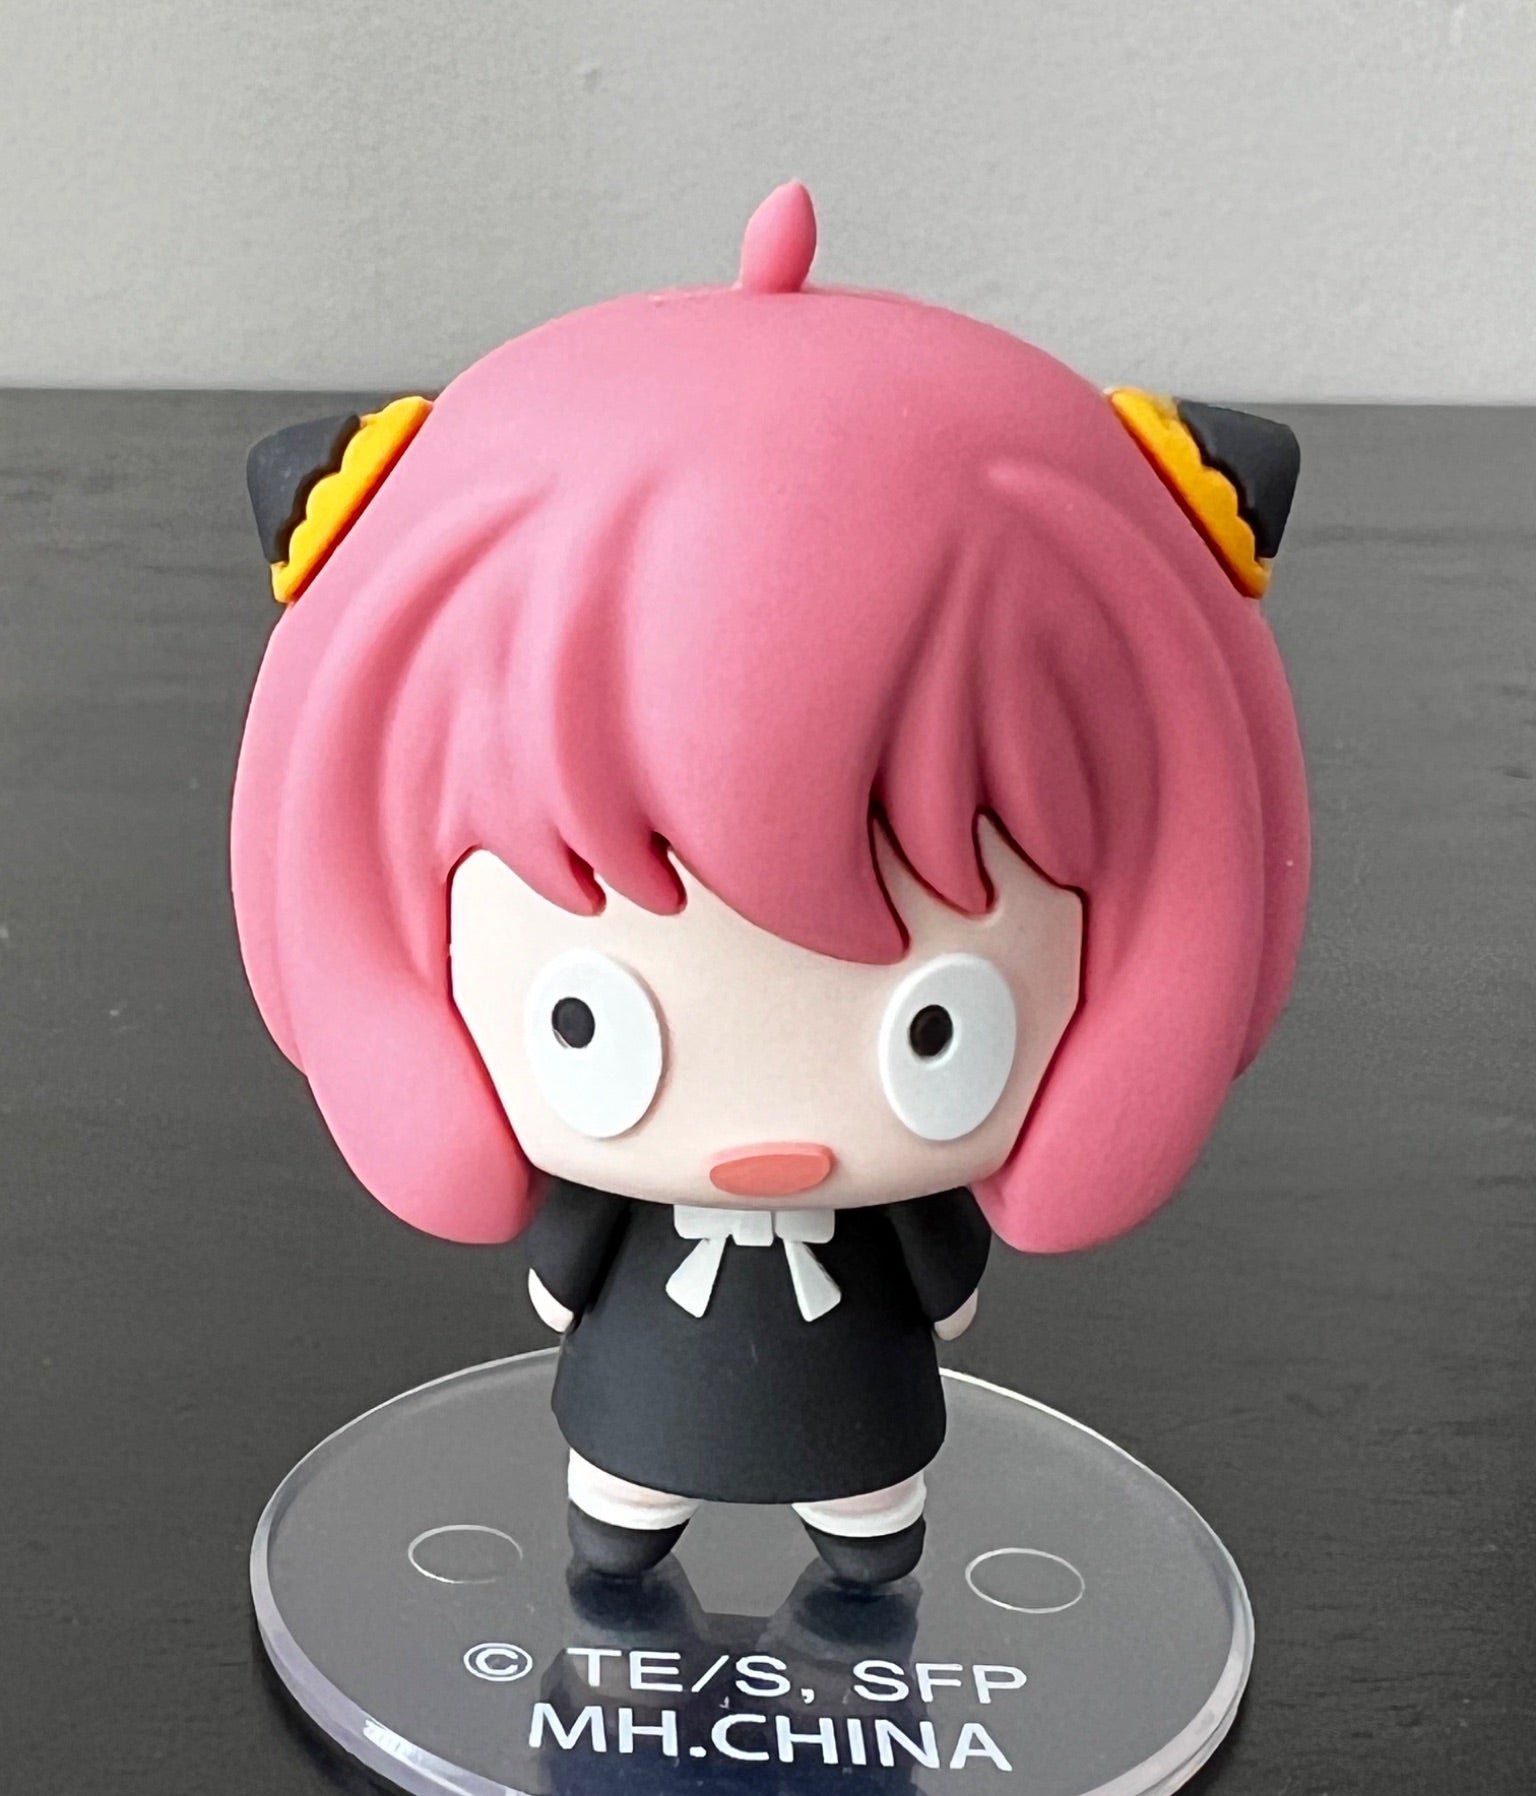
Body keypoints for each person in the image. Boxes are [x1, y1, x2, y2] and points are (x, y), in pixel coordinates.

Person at [233, 183, 1308, 1585]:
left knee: (864, 1517)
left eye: (937, 1027)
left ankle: (852, 1534)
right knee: (625, 1500)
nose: (773, 1142)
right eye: (585, 1021)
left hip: (858, 1412)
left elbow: (917, 1285)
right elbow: (581, 1275)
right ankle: (640, 1521)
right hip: (641, 1404)